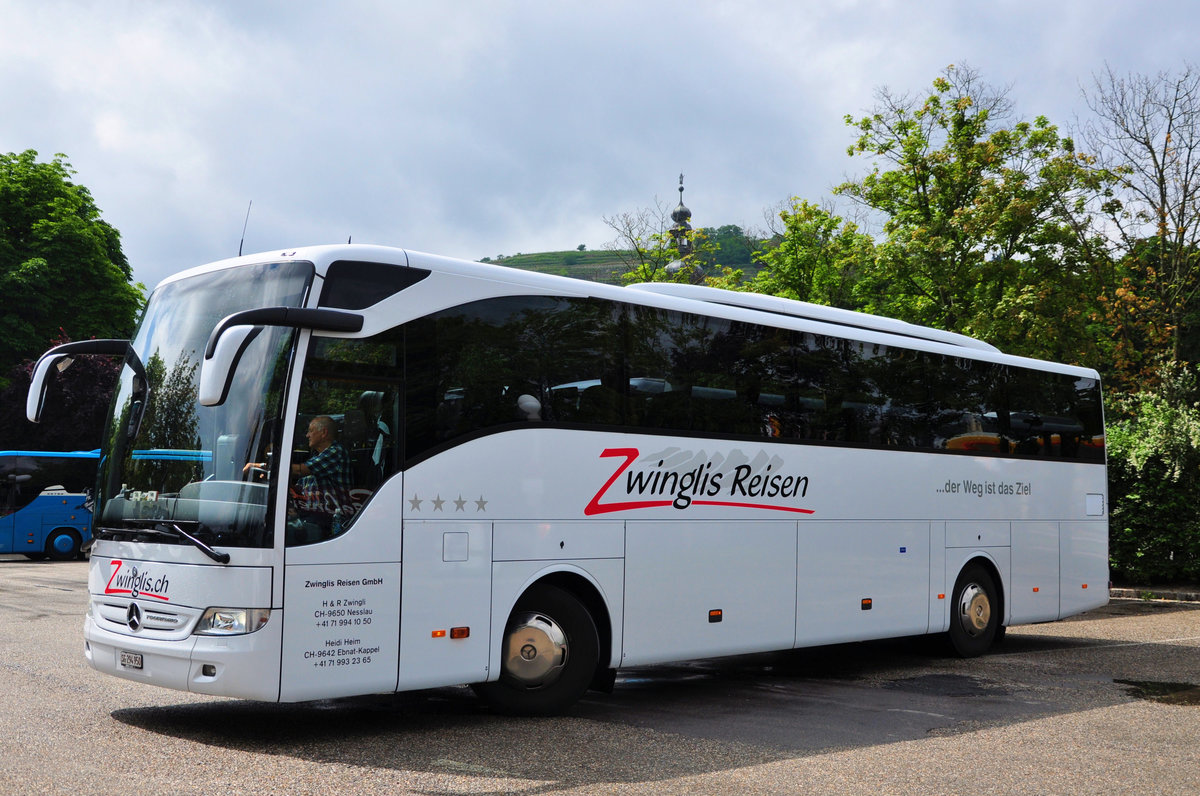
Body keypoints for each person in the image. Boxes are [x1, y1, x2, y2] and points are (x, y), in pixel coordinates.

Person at [287, 415, 355, 543]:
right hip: (313, 516)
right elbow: (299, 491)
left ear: (323, 433)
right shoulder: (317, 458)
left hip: (332, 520)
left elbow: (298, 470)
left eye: (310, 431)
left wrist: (268, 467)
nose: (307, 435)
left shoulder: (336, 452)